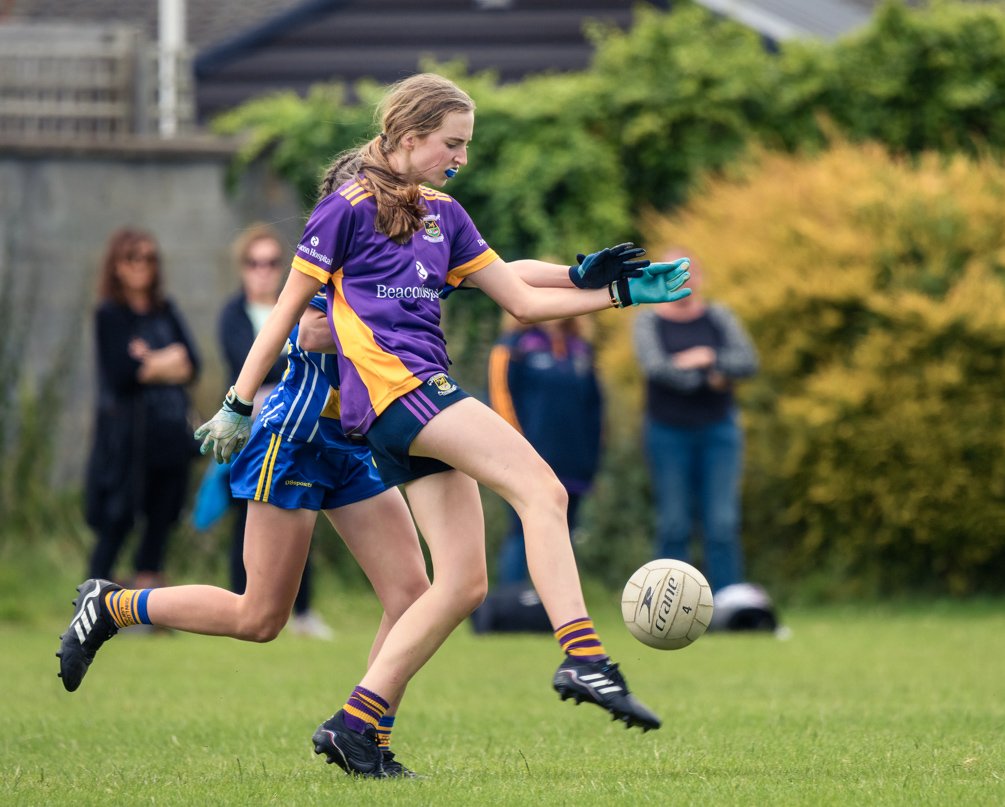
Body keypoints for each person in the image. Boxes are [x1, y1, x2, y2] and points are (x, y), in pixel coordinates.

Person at [60, 73, 691, 779]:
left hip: (366, 435)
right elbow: (289, 317)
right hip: (329, 422)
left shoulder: (438, 217)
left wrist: (602, 284)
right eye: (451, 143)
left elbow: (508, 284)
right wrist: (238, 402)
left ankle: (358, 728)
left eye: (466, 146)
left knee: (446, 586)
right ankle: (584, 657)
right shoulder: (346, 215)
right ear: (406, 137)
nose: (460, 157)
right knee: (269, 611)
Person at [61, 289, 432, 776]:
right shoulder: (353, 225)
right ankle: (113, 606)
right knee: (260, 618)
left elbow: (497, 274)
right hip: (295, 438)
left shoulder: (422, 237)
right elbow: (312, 329)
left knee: (411, 597)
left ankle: (366, 741)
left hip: (352, 437)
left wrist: (569, 282)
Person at [219, 224, 332, 639]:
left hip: (308, 422)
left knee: (305, 511)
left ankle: (301, 610)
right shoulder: (234, 313)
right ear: (243, 269)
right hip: (254, 426)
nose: (263, 271)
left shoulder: (302, 305)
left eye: (271, 263)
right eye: (254, 263)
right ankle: (239, 603)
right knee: (247, 519)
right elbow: (246, 362)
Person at [633, 249, 759, 594]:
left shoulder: (719, 316)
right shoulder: (648, 321)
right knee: (673, 523)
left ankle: (730, 603)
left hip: (719, 430)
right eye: (674, 273)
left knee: (722, 522)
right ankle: (669, 604)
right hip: (666, 432)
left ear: (699, 277)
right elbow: (655, 367)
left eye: (688, 272)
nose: (683, 279)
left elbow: (747, 360)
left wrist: (707, 357)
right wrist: (708, 376)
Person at [83, 228, 200, 591]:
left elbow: (191, 364)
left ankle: (146, 612)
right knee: (118, 521)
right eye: (132, 258)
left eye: (149, 258)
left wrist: (151, 362)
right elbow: (122, 374)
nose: (141, 266)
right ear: (116, 265)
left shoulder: (166, 310)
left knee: (161, 522)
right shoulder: (110, 315)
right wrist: (169, 361)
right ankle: (90, 599)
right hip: (129, 441)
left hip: (169, 435)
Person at [488, 315, 602, 584]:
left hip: (574, 461)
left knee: (564, 531)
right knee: (522, 530)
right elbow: (499, 400)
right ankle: (513, 605)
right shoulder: (512, 347)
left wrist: (592, 457)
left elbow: (595, 408)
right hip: (526, 460)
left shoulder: (581, 349)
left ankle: (556, 612)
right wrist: (515, 454)